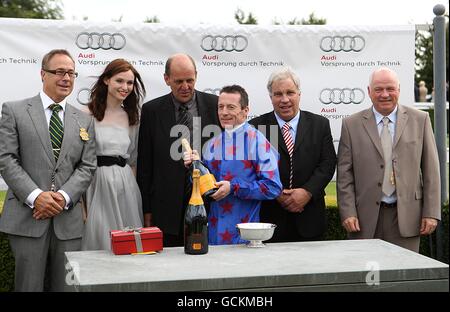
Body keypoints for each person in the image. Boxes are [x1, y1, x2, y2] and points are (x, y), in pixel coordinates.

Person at [0, 49, 96, 291]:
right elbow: (6, 158)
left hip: (68, 222)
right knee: (28, 287)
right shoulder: (14, 110)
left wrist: (62, 198)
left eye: (71, 73)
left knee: (66, 288)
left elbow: (87, 166)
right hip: (27, 218)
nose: (66, 78)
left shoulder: (84, 120)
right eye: (59, 72)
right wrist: (36, 197)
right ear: (43, 74)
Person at [337, 67, 440, 252]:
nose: (385, 94)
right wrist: (348, 212)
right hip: (364, 219)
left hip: (407, 217)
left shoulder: (420, 120)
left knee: (403, 277)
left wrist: (431, 213)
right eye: (378, 89)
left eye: (390, 88)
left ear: (399, 90)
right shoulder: (351, 125)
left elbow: (431, 170)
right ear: (369, 92)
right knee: (368, 276)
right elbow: (345, 175)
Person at [137, 53, 220, 247]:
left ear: (196, 76)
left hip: (208, 205)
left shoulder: (215, 105)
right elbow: (145, 166)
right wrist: (147, 211)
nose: (185, 87)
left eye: (190, 80)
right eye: (179, 81)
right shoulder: (151, 111)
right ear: (166, 79)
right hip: (166, 210)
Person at [184, 85, 282, 245]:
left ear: (245, 111)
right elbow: (205, 188)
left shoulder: (257, 142)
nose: (224, 112)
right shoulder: (211, 144)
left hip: (244, 237)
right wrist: (194, 167)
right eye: (220, 107)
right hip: (213, 235)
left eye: (231, 107)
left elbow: (273, 187)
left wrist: (234, 187)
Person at [249, 67, 336, 242]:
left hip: (310, 217)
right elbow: (252, 168)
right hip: (270, 220)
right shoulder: (257, 127)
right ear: (271, 97)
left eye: (290, 92)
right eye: (278, 94)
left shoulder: (319, 125)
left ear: (299, 94)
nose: (285, 99)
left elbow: (327, 163)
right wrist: (276, 193)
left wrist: (307, 192)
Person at [81, 59, 146, 251]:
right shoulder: (86, 114)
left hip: (126, 186)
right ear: (106, 80)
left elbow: (132, 160)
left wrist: (131, 193)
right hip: (97, 185)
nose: (125, 87)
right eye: (120, 81)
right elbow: (78, 160)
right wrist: (81, 205)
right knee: (99, 239)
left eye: (130, 83)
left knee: (129, 242)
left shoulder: (132, 117)